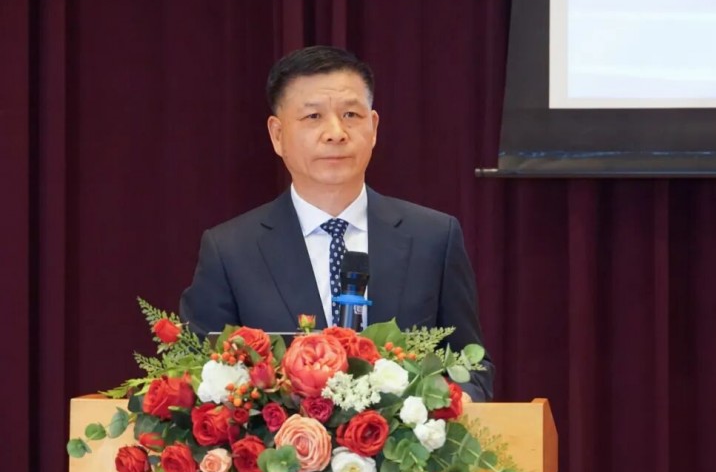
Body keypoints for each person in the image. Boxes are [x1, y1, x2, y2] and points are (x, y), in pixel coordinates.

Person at [180, 45, 493, 401]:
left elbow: (471, 367)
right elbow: (198, 379)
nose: (335, 133)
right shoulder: (231, 251)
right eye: (313, 116)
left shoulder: (433, 239)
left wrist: (443, 408)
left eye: (351, 115)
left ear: (373, 127)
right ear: (277, 135)